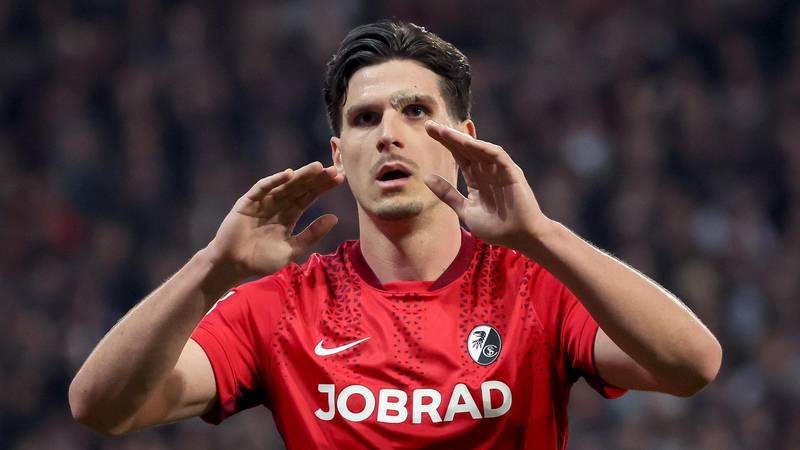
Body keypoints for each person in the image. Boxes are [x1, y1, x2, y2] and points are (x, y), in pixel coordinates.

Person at [69, 20, 722, 449]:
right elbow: (101, 407)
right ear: (339, 151)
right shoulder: (282, 306)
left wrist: (543, 235)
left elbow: (693, 366)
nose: (388, 133)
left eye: (415, 111)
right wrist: (212, 268)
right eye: (365, 118)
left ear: (463, 140)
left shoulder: (535, 286)